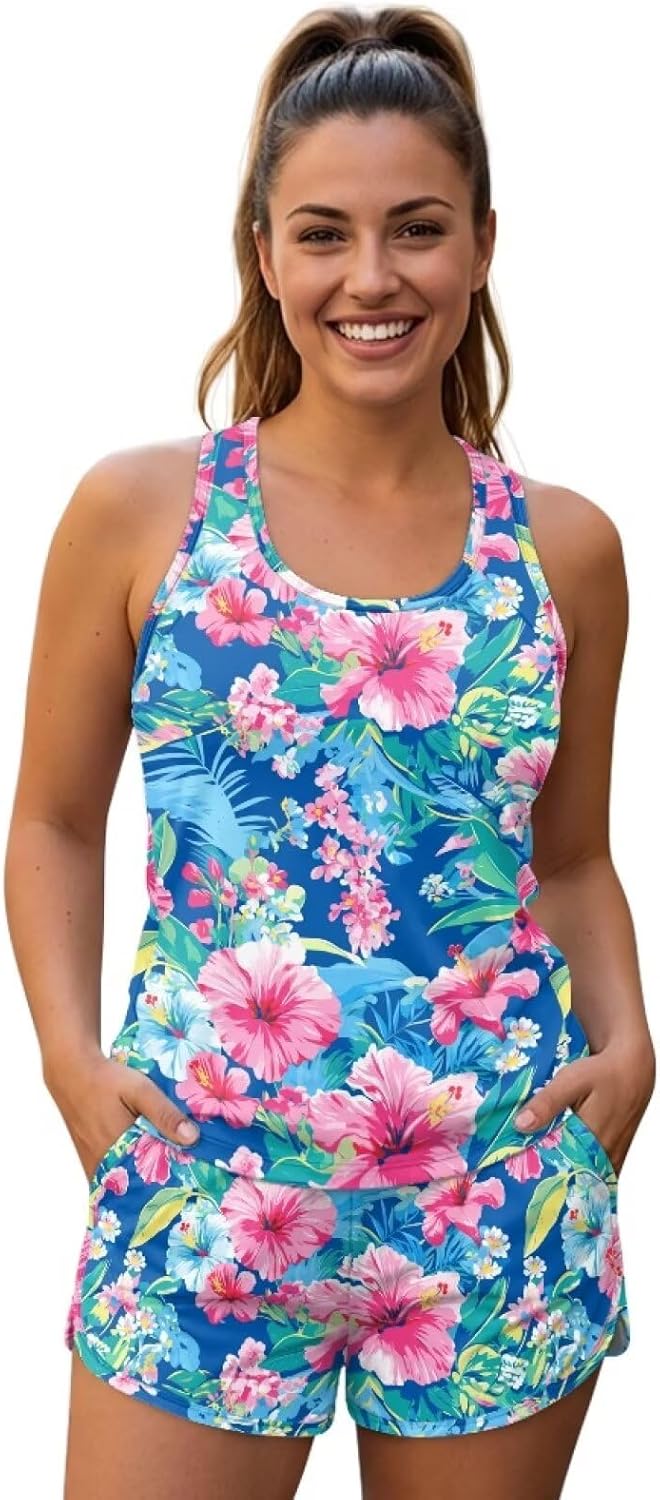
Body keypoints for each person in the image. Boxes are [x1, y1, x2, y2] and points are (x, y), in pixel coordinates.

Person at [4, 6, 655, 1499]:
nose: (373, 278)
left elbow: (570, 858)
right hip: (207, 1203)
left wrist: (631, 1048)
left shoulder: (567, 551)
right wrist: (67, 1065)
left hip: (498, 1211)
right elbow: (52, 822)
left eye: (417, 228)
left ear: (483, 245)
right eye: (324, 234)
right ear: (263, 252)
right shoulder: (141, 515)